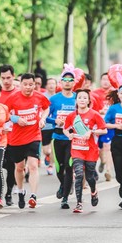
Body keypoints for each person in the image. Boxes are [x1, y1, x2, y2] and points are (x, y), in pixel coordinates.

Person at [3, 73, 50, 209]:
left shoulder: (39, 97)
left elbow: (47, 108)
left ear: (35, 84)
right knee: (19, 167)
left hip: (34, 136)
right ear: (21, 84)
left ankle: (33, 195)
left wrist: (42, 119)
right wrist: (16, 119)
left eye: (31, 84)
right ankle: (20, 189)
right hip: (16, 138)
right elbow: (5, 113)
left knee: (33, 165)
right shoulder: (13, 98)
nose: (28, 87)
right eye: (25, 84)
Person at [60, 89, 107, 213]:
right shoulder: (72, 116)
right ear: (76, 100)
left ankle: (93, 191)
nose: (82, 100)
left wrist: (91, 132)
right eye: (80, 97)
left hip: (91, 150)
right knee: (79, 175)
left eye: (85, 98)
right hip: (76, 149)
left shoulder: (94, 114)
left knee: (90, 177)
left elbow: (104, 130)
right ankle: (79, 203)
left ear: (89, 101)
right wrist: (68, 135)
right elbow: (65, 129)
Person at [47, 70, 77, 208]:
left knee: (69, 166)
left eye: (71, 80)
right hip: (57, 137)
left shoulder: (78, 98)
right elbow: (44, 116)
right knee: (59, 169)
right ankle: (63, 184)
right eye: (65, 79)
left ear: (74, 82)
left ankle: (64, 199)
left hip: (72, 139)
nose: (68, 82)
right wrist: (54, 121)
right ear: (61, 82)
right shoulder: (54, 99)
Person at [0, 65, 20, 205]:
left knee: (11, 167)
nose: (6, 81)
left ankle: (8, 192)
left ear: (13, 76)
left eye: (8, 78)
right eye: (3, 78)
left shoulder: (18, 94)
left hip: (14, 137)